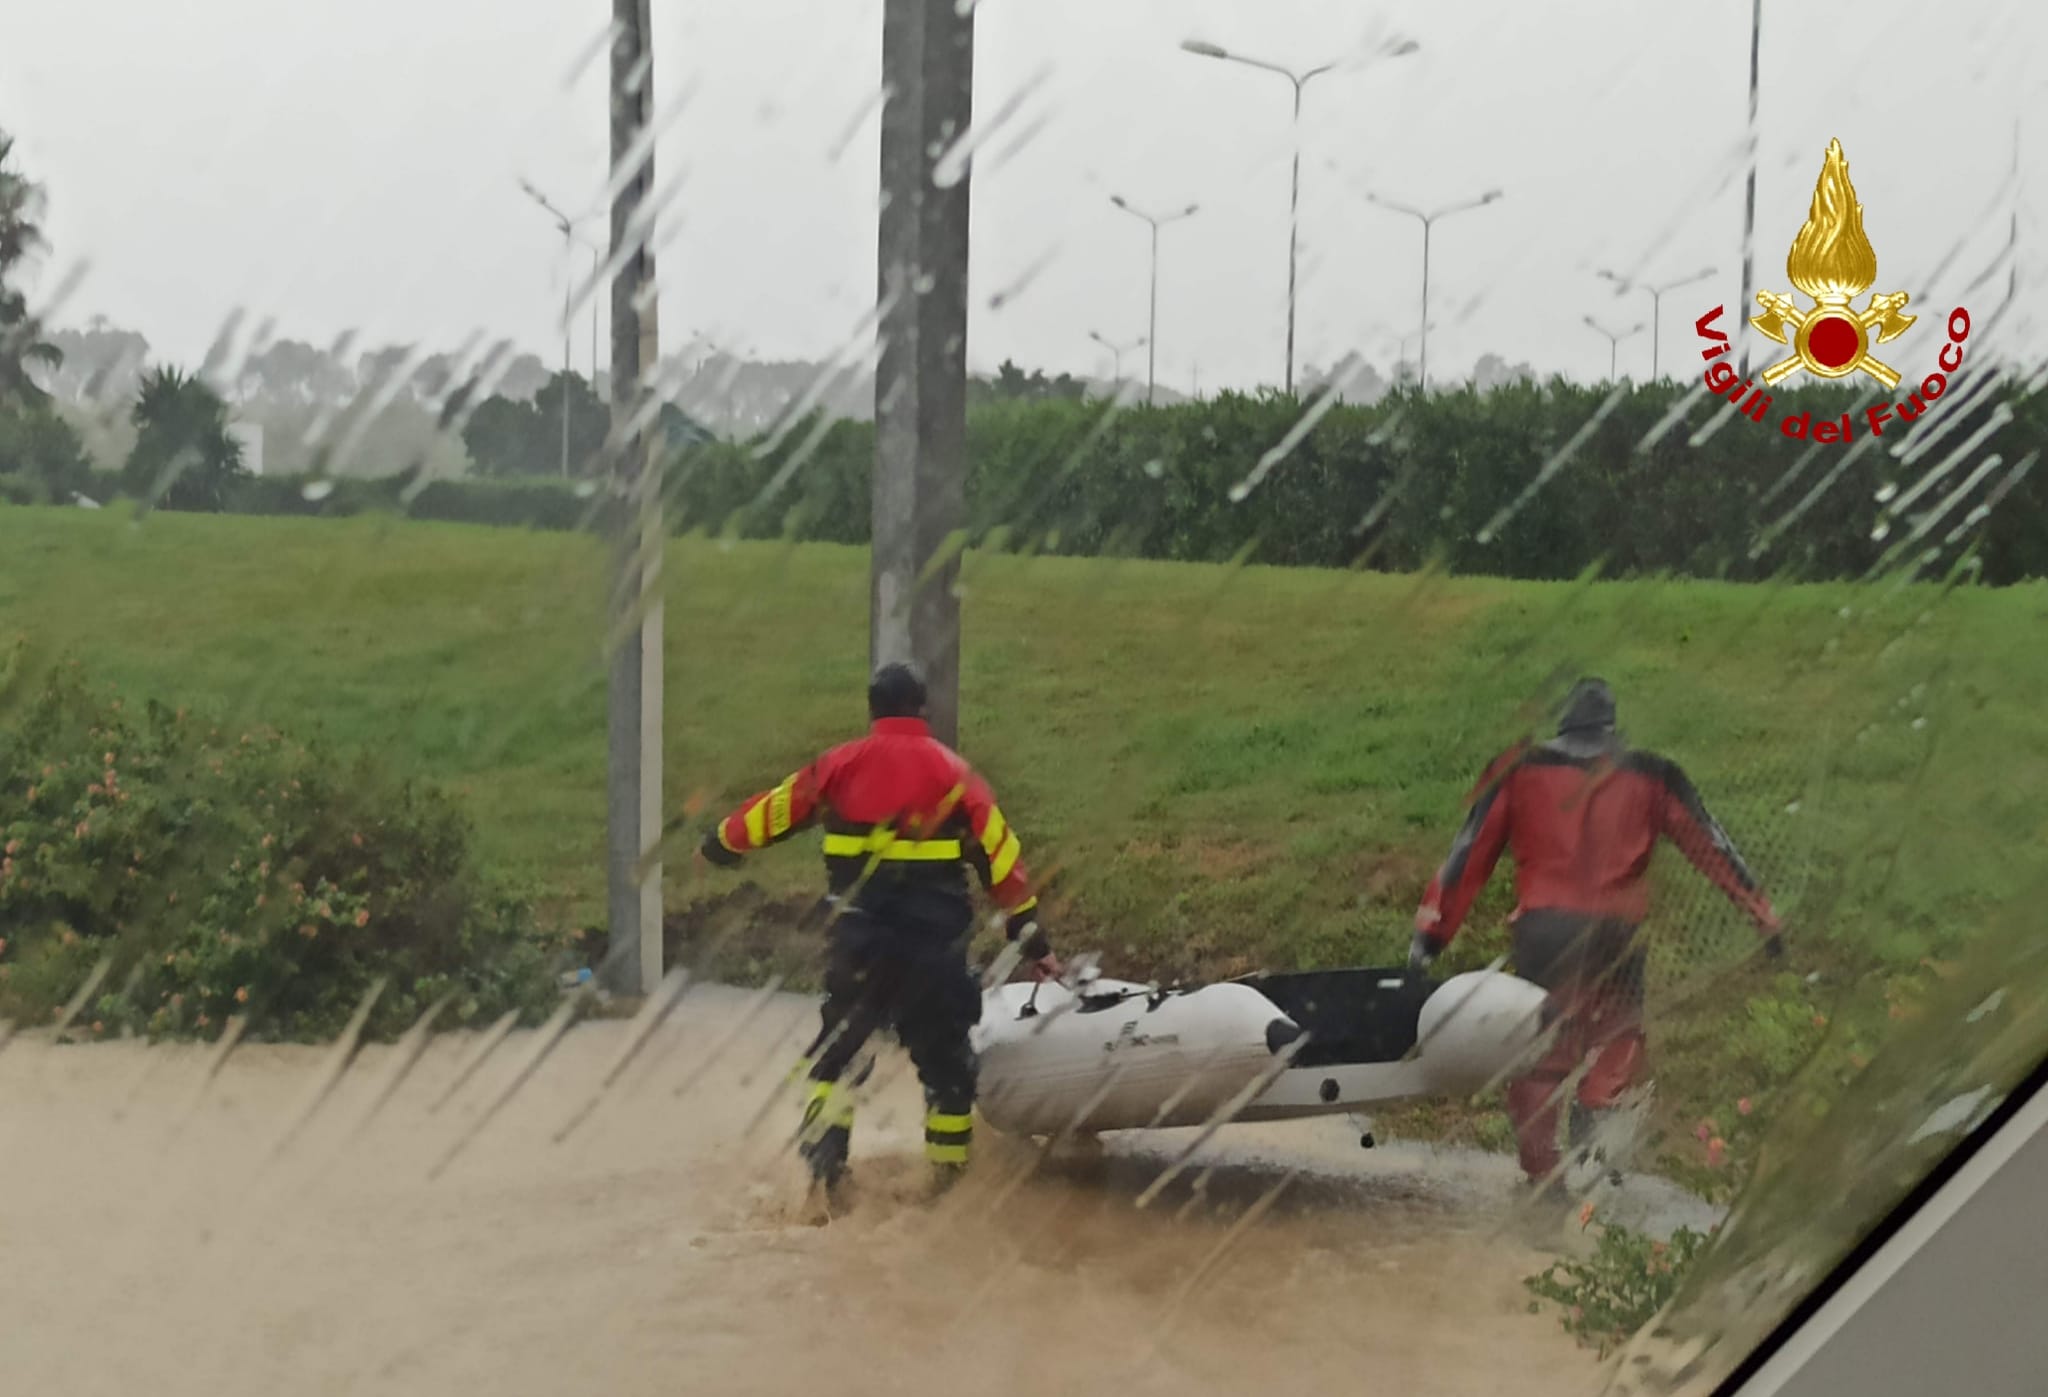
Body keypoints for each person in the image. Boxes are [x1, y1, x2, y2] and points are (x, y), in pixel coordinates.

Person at [1409, 677, 1781, 1195]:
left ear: (1563, 723)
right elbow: (1711, 845)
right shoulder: (1652, 774)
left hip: (1546, 934)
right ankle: (1598, 1107)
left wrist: (1430, 937)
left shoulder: (1520, 770)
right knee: (1621, 1034)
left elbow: (1468, 856)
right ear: (1612, 728)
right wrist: (1763, 917)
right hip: (1616, 934)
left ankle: (1542, 1176)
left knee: (1539, 1051)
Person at [699, 660, 1058, 1192]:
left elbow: (774, 811)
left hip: (860, 947)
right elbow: (1002, 863)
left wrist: (720, 844)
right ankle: (948, 1191)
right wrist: (1033, 941)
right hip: (933, 953)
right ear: (922, 710)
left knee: (835, 1060)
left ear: (872, 712)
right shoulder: (957, 777)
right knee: (946, 1071)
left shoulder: (837, 767)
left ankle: (823, 1186)